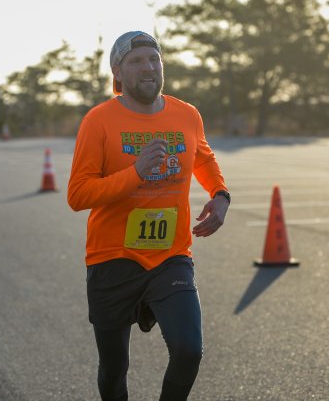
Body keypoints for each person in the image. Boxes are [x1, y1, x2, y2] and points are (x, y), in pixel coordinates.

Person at [67, 30, 230, 401]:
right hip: (112, 258)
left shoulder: (186, 114)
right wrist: (136, 173)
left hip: (170, 256)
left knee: (189, 351)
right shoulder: (98, 120)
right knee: (114, 369)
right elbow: (78, 195)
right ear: (117, 72)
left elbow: (203, 157)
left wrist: (220, 195)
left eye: (154, 59)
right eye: (136, 61)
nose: (148, 67)